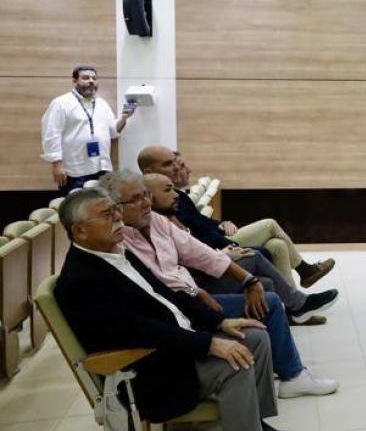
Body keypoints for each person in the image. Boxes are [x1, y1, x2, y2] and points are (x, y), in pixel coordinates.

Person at [54, 186, 299, 431]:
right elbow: (138, 331)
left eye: (116, 210)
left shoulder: (116, 253)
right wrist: (208, 344)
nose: (118, 219)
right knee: (237, 360)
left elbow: (167, 294)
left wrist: (218, 322)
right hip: (151, 371)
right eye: (107, 215)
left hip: (176, 347)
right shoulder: (80, 281)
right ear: (80, 231)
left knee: (255, 335)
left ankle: (255, 427)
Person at [103, 171, 338, 398]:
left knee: (263, 283)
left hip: (194, 292)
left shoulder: (155, 220)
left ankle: (283, 359)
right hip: (181, 306)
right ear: (115, 209)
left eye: (145, 195)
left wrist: (250, 281)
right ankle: (293, 374)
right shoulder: (118, 242)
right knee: (272, 300)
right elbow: (155, 287)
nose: (146, 203)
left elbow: (199, 252)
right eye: (136, 199)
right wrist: (195, 290)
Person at [130, 173, 338, 324]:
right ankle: (299, 300)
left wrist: (221, 226)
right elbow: (177, 267)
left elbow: (200, 232)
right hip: (196, 284)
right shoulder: (136, 233)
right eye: (167, 189)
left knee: (273, 255)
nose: (179, 169)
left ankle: (292, 312)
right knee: (264, 236)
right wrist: (224, 251)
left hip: (209, 259)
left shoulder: (167, 214)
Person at [137, 145, 335, 287]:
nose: (176, 169)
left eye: (175, 163)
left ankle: (294, 308)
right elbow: (195, 235)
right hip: (214, 247)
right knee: (269, 225)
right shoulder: (159, 203)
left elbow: (200, 222)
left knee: (277, 245)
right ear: (148, 171)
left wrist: (221, 222)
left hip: (217, 237)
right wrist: (226, 245)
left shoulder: (175, 194)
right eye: (168, 164)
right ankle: (305, 272)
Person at [41, 65, 136, 191]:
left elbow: (113, 132)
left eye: (94, 78)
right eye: (85, 78)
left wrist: (124, 118)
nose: (91, 81)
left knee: (103, 205)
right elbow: (52, 134)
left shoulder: (102, 103)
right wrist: (56, 164)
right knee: (77, 207)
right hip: (75, 170)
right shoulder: (61, 103)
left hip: (102, 168)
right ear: (74, 81)